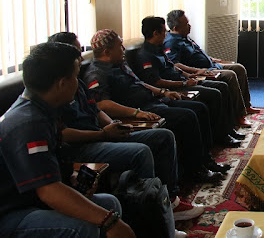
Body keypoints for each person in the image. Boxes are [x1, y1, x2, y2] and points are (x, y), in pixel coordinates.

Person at [48, 32, 204, 225]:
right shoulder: (61, 89)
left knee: (163, 136)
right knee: (141, 152)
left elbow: (96, 109)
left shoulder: (77, 82)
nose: (81, 57)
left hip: (104, 132)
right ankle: (154, 217)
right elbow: (64, 134)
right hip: (86, 144)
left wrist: (112, 125)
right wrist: (104, 133)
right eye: (77, 52)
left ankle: (170, 199)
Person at [0, 42, 134, 238]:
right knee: (83, 227)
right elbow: (48, 191)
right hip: (13, 212)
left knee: (109, 203)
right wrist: (110, 222)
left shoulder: (41, 110)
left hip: (32, 198)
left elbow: (45, 167)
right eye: (75, 76)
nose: (77, 82)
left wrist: (70, 176)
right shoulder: (29, 123)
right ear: (62, 83)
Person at [83, 29, 228, 183]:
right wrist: (136, 113)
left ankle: (205, 160)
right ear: (107, 52)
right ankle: (196, 170)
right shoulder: (96, 74)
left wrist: (163, 92)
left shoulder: (119, 65)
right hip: (140, 111)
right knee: (187, 117)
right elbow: (103, 104)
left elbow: (139, 83)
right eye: (120, 46)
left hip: (153, 101)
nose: (123, 49)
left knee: (199, 108)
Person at [135, 16, 245, 147]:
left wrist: (190, 75)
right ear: (155, 33)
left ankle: (227, 129)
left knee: (222, 87)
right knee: (214, 94)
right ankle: (221, 136)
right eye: (164, 31)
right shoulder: (146, 55)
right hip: (175, 87)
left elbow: (173, 66)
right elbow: (156, 82)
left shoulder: (158, 48)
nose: (166, 33)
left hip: (184, 81)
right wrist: (183, 83)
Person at [164, 9, 258, 124]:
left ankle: (246, 105)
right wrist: (197, 70)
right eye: (186, 24)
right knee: (230, 75)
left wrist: (212, 59)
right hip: (202, 72)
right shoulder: (171, 42)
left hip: (212, 65)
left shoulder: (184, 37)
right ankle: (239, 115)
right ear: (175, 28)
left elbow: (197, 53)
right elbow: (175, 64)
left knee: (239, 68)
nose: (189, 26)